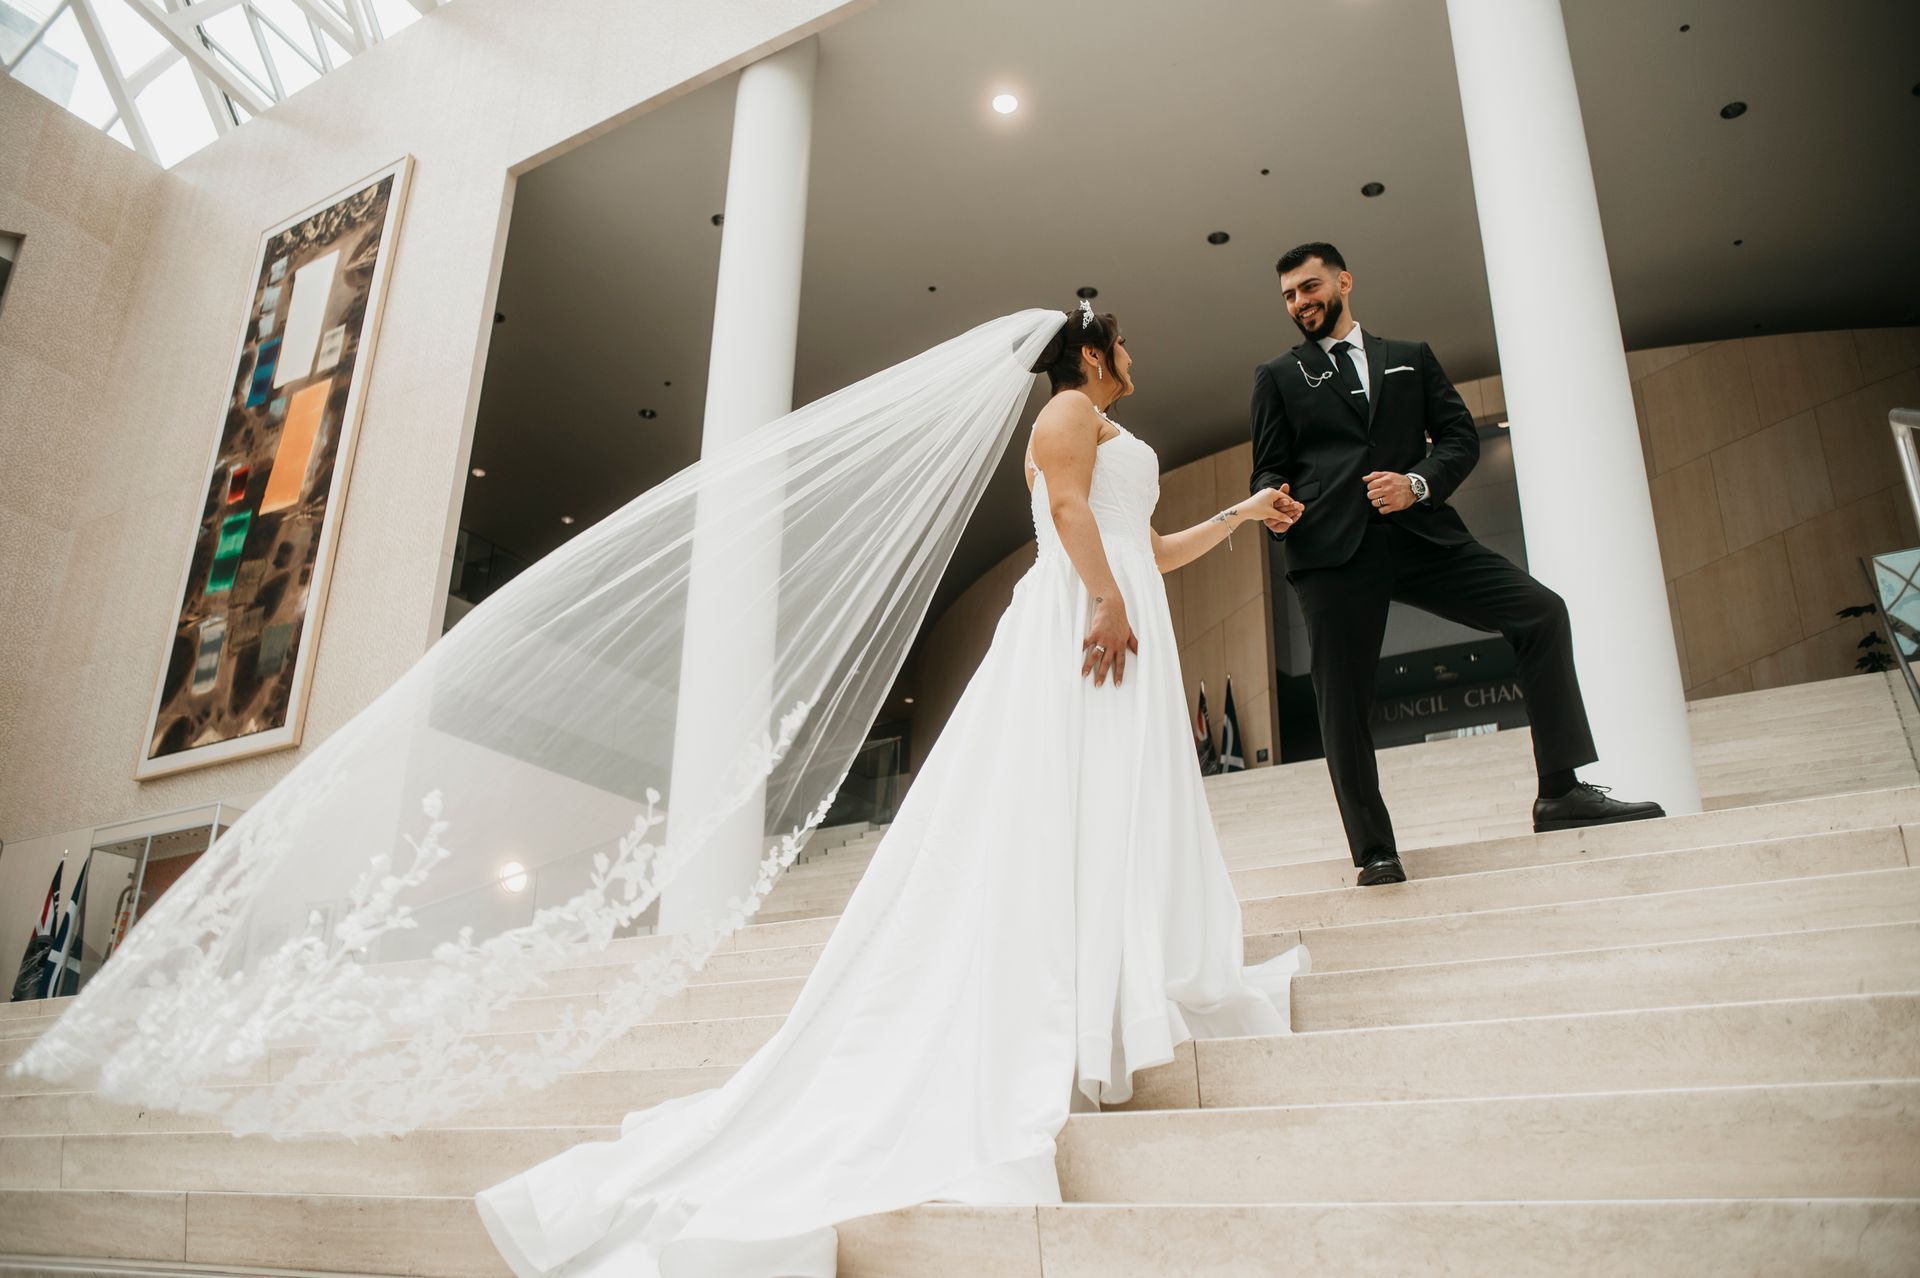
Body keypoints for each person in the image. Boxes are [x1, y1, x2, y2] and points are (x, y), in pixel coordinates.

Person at [473, 303, 1310, 1276]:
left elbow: (1145, 543)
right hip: (1082, 628)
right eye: (1120, 343)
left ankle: (1112, 985)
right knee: (1069, 807)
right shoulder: (1067, 416)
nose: (1133, 354)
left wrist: (1237, 517)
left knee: (1119, 810)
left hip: (1116, 612)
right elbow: (1075, 516)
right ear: (1088, 354)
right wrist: (1107, 602)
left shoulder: (1109, 431)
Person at [1250, 241, 1664, 887]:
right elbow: (1270, 467)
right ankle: (1374, 851)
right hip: (1331, 553)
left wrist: (1416, 484)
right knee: (1343, 705)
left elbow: (1458, 438)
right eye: (1289, 296)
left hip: (1423, 537)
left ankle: (1560, 792)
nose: (1300, 303)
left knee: (1541, 613)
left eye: (1309, 287)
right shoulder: (1277, 375)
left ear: (1344, 281)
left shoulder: (1410, 360)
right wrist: (1272, 500)